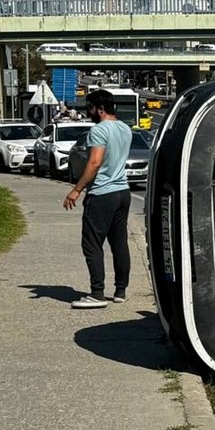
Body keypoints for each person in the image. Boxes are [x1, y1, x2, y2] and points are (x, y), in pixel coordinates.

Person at [63, 89, 132, 309]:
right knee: (119, 242)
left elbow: (94, 163)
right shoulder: (125, 128)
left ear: (100, 109)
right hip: (123, 191)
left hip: (102, 193)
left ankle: (97, 293)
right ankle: (120, 290)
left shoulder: (99, 130)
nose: (88, 112)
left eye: (90, 108)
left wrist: (77, 189)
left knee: (91, 243)